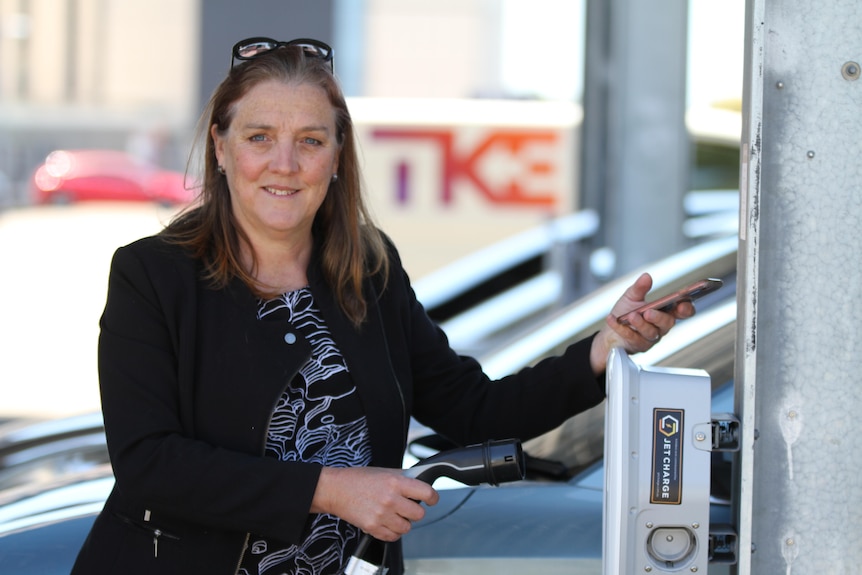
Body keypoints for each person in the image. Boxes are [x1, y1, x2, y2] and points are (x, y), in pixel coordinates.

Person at [70, 37, 694, 575]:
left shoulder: (367, 268)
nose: (283, 164)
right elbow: (149, 462)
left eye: (310, 141)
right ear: (222, 146)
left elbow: (471, 409)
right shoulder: (153, 274)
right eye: (260, 137)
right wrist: (330, 490)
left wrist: (602, 350)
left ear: (337, 157)